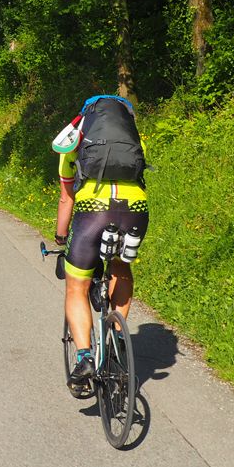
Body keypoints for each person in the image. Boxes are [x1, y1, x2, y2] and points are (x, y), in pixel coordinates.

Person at [53, 95, 149, 387]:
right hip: (135, 211)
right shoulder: (136, 141)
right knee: (121, 267)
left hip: (92, 212)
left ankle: (84, 358)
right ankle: (118, 335)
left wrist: (60, 235)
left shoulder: (74, 141)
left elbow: (66, 197)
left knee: (76, 287)